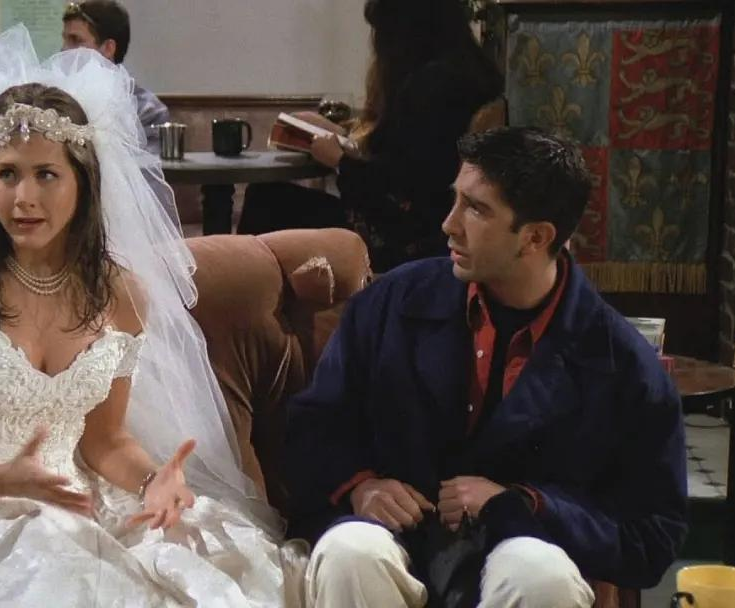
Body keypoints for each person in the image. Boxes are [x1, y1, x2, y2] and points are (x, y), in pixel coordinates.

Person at [0, 26, 304, 606]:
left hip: (73, 496)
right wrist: (2, 479)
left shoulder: (122, 296)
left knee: (209, 554)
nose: (24, 197)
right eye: (7, 174)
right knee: (69, 580)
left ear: (83, 184)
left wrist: (153, 479)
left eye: (46, 174)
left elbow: (105, 441)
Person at [285, 127, 688, 607]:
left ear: (535, 237)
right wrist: (361, 486)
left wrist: (522, 505)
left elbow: (652, 536)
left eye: (476, 209)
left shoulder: (625, 364)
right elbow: (314, 425)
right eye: (455, 200)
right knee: (349, 551)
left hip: (524, 549)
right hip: (394, 544)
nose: (449, 224)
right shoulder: (391, 302)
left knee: (540, 576)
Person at [238, 0, 502, 273]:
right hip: (434, 227)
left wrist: (339, 161)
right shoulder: (473, 71)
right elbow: (412, 156)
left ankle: (246, 291)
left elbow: (398, 187)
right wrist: (344, 135)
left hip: (404, 238)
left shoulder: (430, 87)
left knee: (267, 200)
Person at [61, 0, 169, 153]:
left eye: (75, 40)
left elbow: (146, 165)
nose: (64, 49)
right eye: (65, 39)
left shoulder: (147, 111)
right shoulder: (56, 100)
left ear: (108, 48)